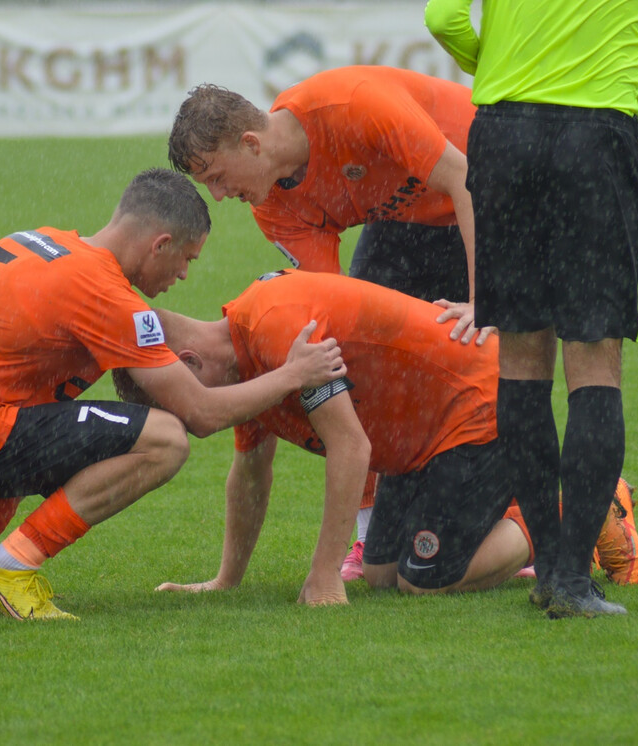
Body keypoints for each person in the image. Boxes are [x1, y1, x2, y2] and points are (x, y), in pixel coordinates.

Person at [0, 168, 346, 621]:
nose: (182, 275)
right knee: (164, 439)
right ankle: (12, 567)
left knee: (44, 416)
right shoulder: (105, 293)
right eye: (186, 259)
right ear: (160, 245)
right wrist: (292, 374)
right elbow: (201, 414)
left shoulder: (45, 241)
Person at [118, 270, 638, 605]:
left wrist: (322, 578)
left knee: (426, 579)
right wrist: (226, 580)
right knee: (381, 572)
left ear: (188, 364)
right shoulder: (247, 367)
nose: (198, 423)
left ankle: (563, 506)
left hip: (475, 408)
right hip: (419, 442)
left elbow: (352, 447)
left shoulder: (276, 332)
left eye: (185, 410)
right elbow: (251, 474)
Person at [425, 0, 638, 617]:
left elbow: (443, 19)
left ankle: (546, 568)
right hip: (595, 139)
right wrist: (621, 98)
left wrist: (499, 66)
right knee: (595, 360)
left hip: (503, 135)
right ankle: (574, 577)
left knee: (521, 359)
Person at [168, 66, 484, 577]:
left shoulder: (351, 105)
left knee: (496, 349)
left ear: (251, 143)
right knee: (356, 358)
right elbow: (328, 311)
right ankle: (368, 536)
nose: (220, 196)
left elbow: (466, 178)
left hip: (494, 186)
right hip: (412, 219)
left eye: (217, 178)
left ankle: (566, 503)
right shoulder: (272, 203)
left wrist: (481, 299)